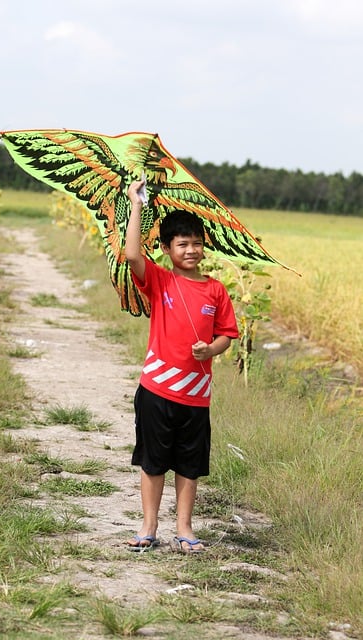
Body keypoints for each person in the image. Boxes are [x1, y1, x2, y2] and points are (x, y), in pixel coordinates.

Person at [124, 180, 239, 553]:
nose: (191, 250)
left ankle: (185, 528)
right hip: (157, 391)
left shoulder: (216, 290)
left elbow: (226, 334)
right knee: (153, 462)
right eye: (182, 244)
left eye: (196, 243)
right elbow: (131, 256)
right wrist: (135, 204)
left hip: (196, 397)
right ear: (166, 249)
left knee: (189, 466)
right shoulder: (159, 280)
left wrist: (212, 350)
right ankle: (148, 526)